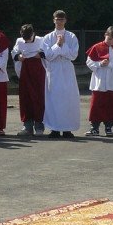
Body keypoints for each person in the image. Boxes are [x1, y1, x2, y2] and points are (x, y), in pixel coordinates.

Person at [42, 10, 81, 138]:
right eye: (57, 19)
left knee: (68, 99)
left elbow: (73, 55)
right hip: (54, 70)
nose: (59, 22)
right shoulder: (47, 38)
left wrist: (62, 47)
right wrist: (57, 45)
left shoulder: (71, 36)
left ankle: (67, 128)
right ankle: (54, 128)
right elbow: (48, 55)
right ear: (53, 20)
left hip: (66, 69)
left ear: (65, 21)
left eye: (61, 19)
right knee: (54, 99)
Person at [85, 26, 113, 136]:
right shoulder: (96, 47)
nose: (111, 42)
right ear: (105, 35)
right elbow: (89, 62)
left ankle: (109, 128)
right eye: (109, 39)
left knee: (110, 106)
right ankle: (94, 128)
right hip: (100, 81)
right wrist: (99, 64)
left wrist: (111, 65)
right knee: (96, 105)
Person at [12, 24, 46, 136]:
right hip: (25, 72)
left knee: (39, 97)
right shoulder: (19, 41)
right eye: (25, 39)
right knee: (26, 98)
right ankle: (27, 125)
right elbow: (14, 52)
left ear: (33, 34)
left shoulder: (41, 40)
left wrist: (40, 54)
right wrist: (18, 57)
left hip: (38, 73)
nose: (27, 41)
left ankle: (39, 125)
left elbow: (48, 52)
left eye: (29, 38)